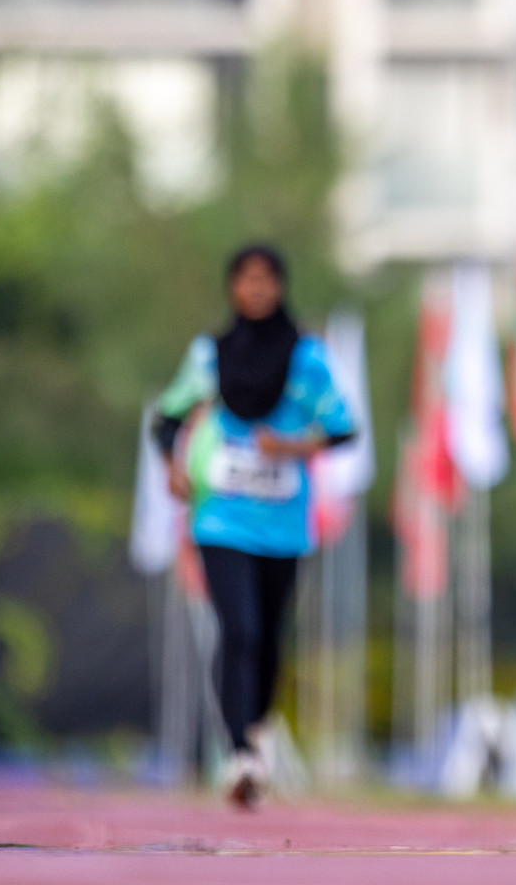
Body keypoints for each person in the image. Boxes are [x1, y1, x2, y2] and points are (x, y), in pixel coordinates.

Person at [152, 245, 357, 808]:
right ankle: (240, 753)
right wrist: (172, 465)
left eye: (268, 278)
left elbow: (344, 430)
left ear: (281, 286)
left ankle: (255, 727)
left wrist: (292, 445)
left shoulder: (307, 358)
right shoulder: (208, 356)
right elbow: (167, 418)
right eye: (247, 279)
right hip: (219, 516)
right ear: (232, 288)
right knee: (237, 628)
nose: (258, 289)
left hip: (285, 520)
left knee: (267, 636)